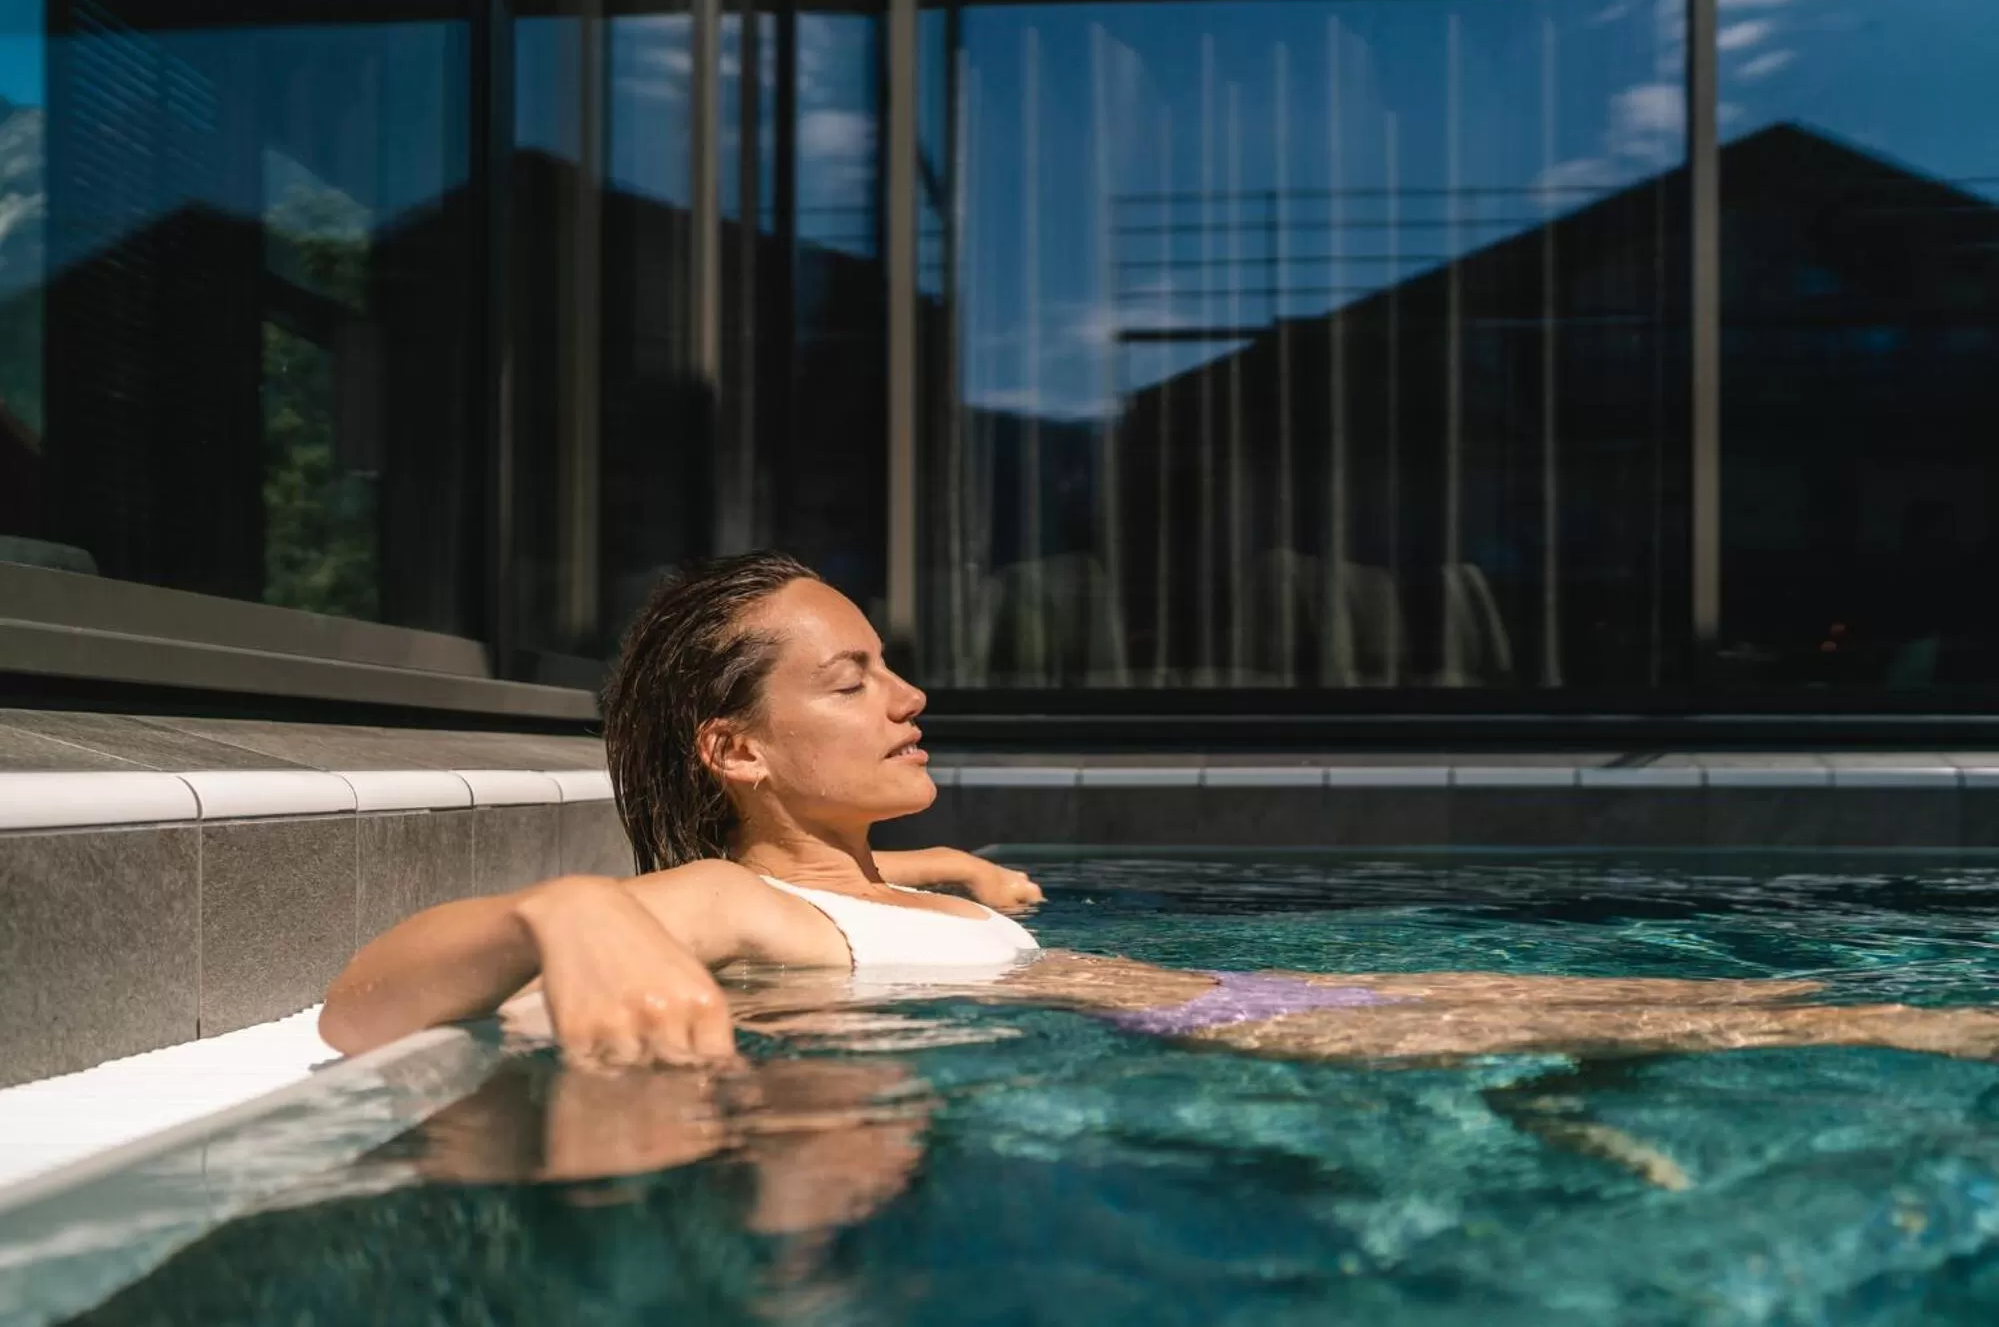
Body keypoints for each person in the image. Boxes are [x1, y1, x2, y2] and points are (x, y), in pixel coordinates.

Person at [322, 552, 1999, 1072]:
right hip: (1230, 1036)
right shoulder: (728, 900)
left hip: (1215, 1013)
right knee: (1807, 1024)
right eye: (851, 678)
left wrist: (921, 876)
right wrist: (566, 905)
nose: (909, 695)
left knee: (1741, 1016)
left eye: (889, 664)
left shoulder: (854, 882)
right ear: (735, 749)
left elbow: (843, 915)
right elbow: (359, 1005)